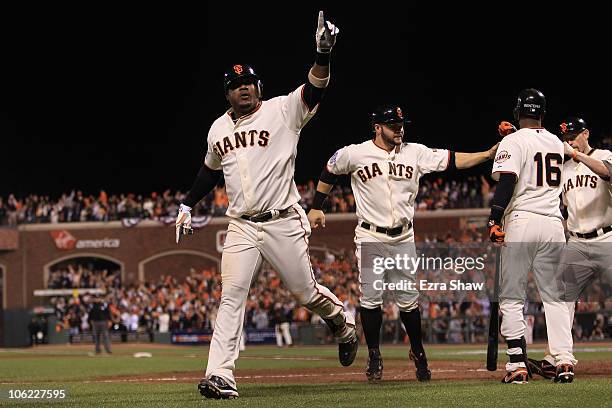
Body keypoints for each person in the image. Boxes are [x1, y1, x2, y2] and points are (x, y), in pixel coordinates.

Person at [175, 11, 357, 400]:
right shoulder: (218, 128)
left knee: (305, 293)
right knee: (231, 294)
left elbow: (314, 90)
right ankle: (221, 375)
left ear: (259, 87)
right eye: (236, 84)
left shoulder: (281, 110)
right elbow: (209, 171)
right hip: (241, 225)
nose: (243, 89)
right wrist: (188, 203)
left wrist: (322, 53)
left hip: (283, 221)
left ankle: (341, 321)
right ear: (226, 93)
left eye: (248, 82)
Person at [307, 104, 498, 382]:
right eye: (392, 125)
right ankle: (374, 354)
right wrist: (316, 206)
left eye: (400, 124)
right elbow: (329, 168)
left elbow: (454, 159)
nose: (399, 129)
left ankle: (418, 351)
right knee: (371, 299)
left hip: (404, 236)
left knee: (409, 301)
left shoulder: (415, 152)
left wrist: (488, 154)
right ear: (377, 127)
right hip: (371, 235)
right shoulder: (356, 152)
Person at [487, 89, 575, 384]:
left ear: (517, 110)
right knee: (556, 298)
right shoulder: (555, 141)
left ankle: (516, 364)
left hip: (522, 220)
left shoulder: (512, 140)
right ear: (542, 112)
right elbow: (533, 149)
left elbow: (507, 181)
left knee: (512, 295)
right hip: (552, 223)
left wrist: (493, 219)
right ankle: (563, 360)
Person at [526, 117, 612, 382]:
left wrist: (575, 153)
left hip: (606, 238)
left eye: (575, 134)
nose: (570, 139)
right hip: (577, 242)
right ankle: (556, 357)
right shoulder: (563, 171)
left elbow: (608, 172)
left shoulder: (603, 155)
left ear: (586, 133)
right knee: (561, 298)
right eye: (567, 136)